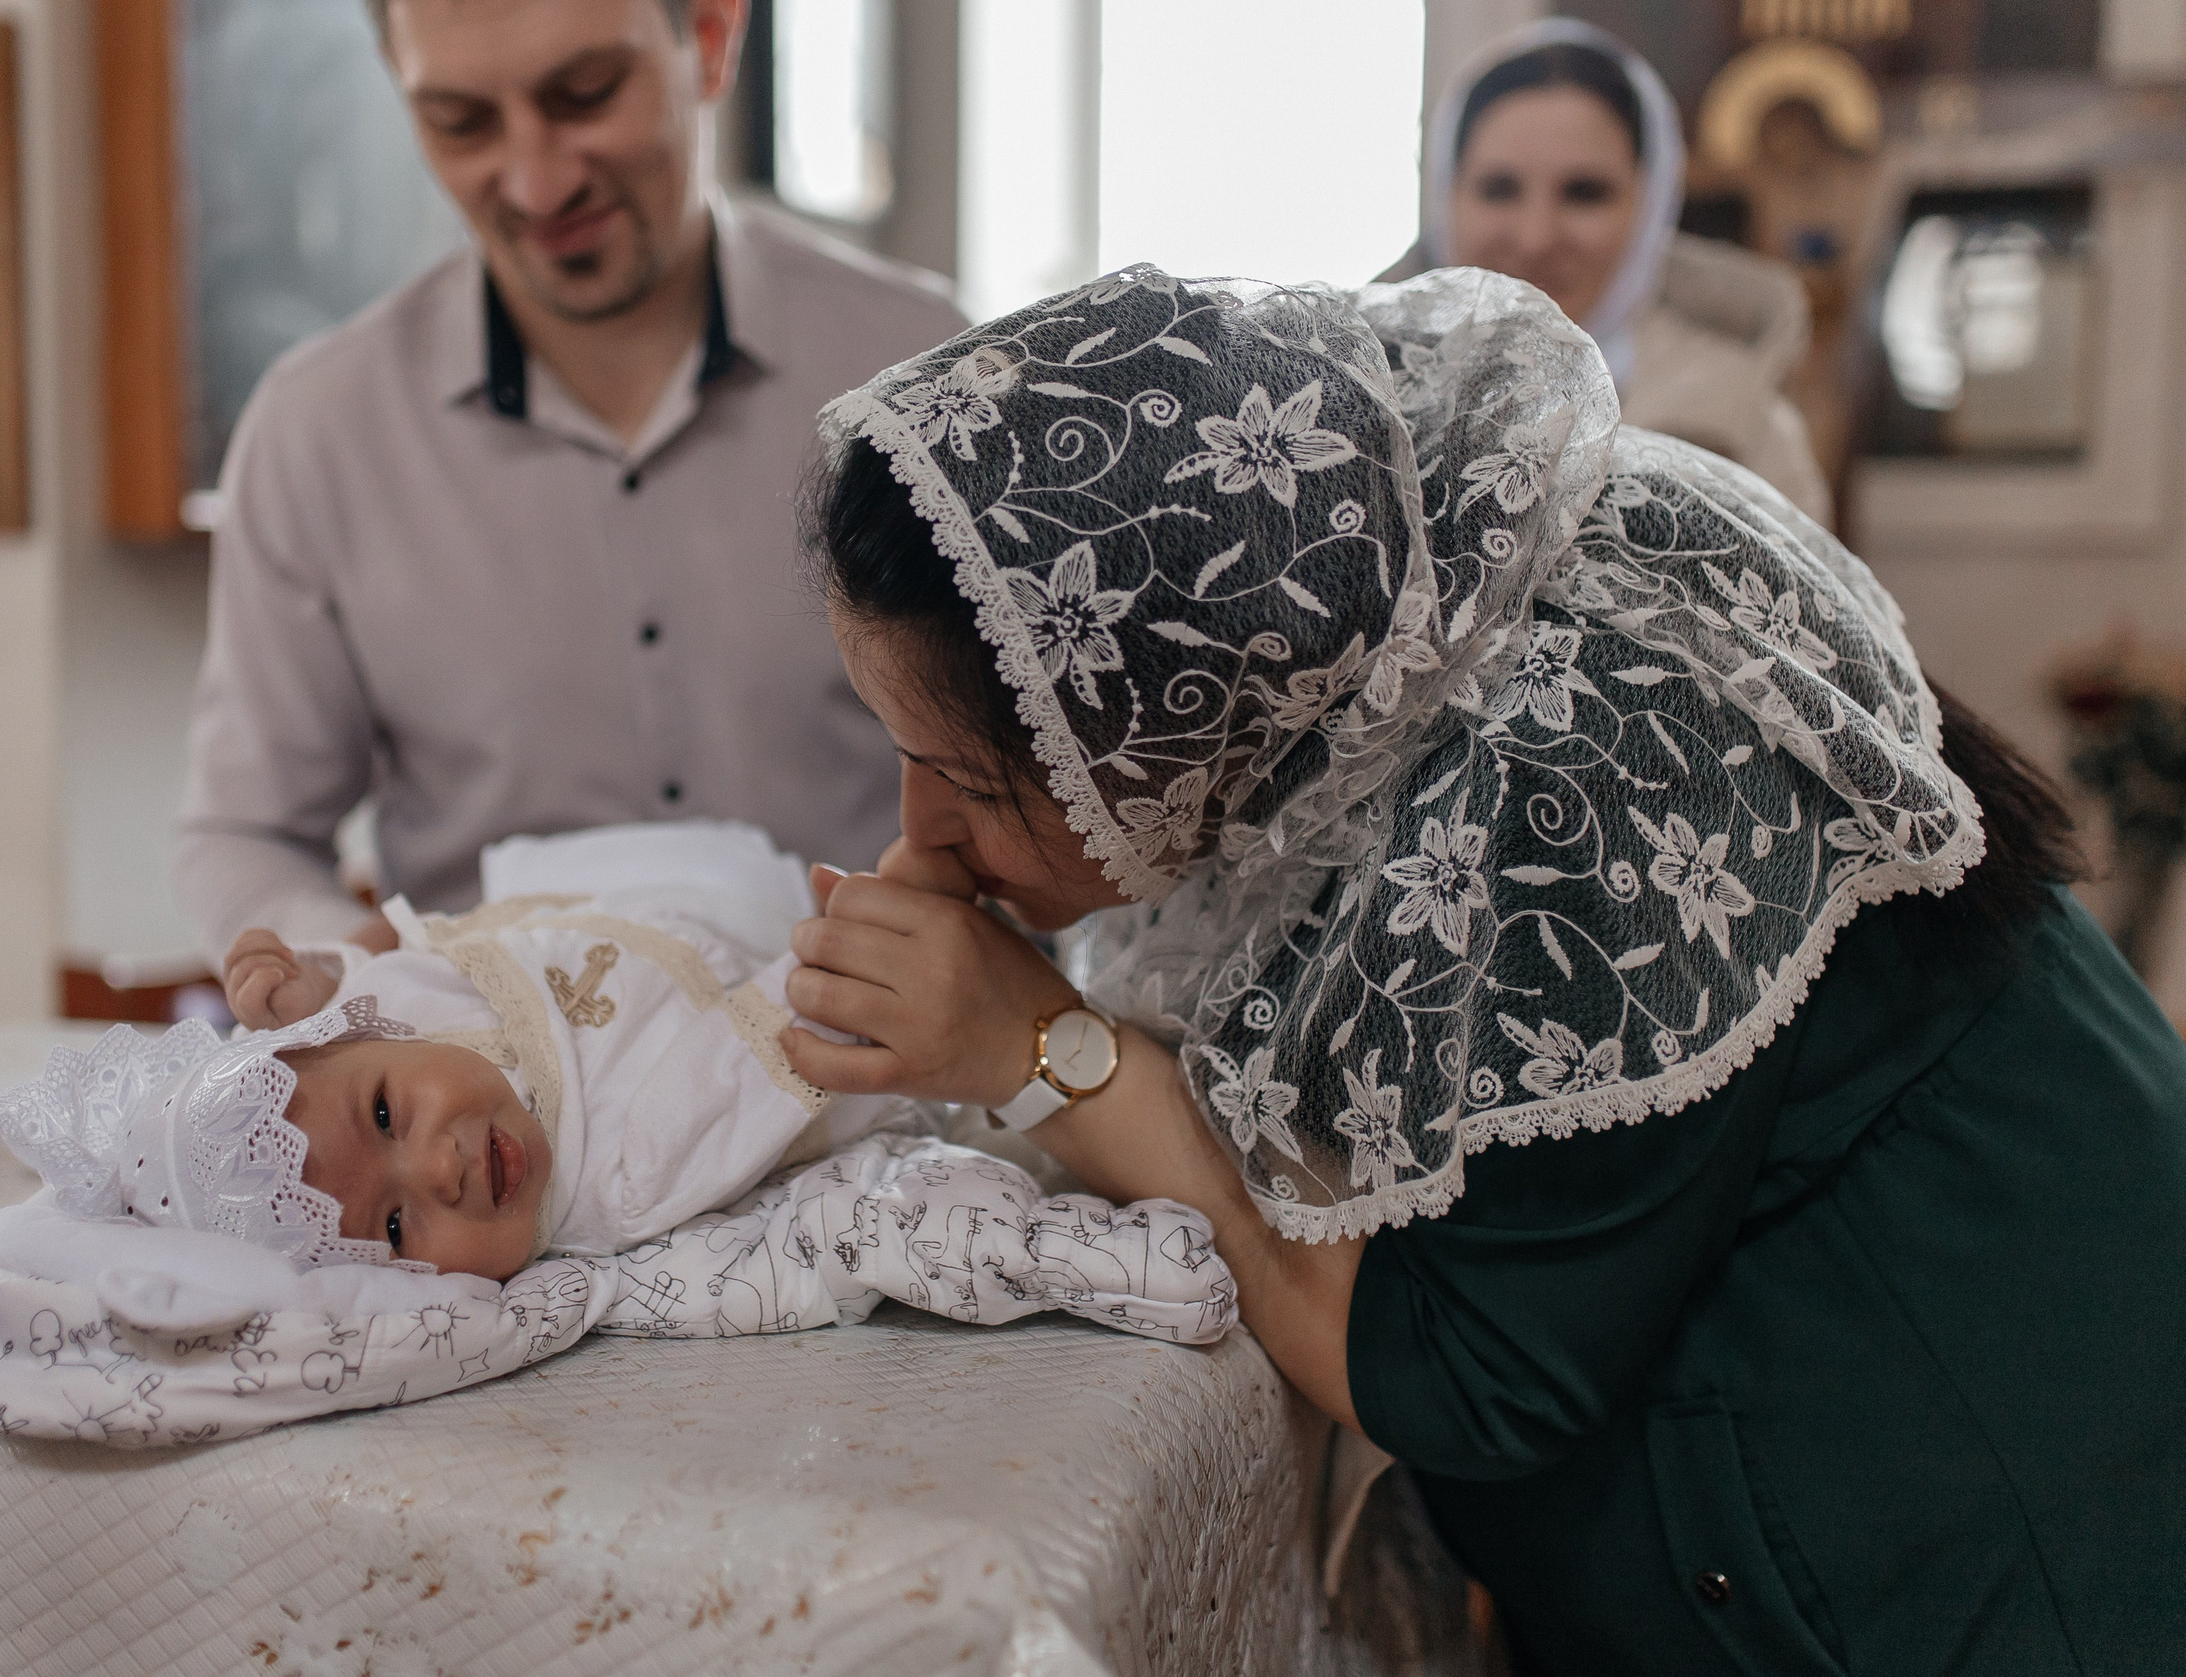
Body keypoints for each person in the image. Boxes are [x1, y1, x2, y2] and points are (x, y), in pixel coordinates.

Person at [779, 266, 2186, 1674]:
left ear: (1169, 700)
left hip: (1991, 1532)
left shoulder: (1581, 756)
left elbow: (1457, 1366)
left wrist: (1048, 1053)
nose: (917, 827)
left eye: (964, 772)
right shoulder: (1378, 640)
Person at [175, 0, 966, 962]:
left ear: (712, 32)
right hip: (498, 1098)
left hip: (885, 1088)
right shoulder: (316, 431)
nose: (537, 183)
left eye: (585, 94)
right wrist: (347, 960)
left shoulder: (927, 372)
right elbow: (245, 835)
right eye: (462, 122)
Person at [3, 824, 922, 1280]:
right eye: (396, 1230)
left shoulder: (381, 1024)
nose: (440, 1169)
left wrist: (311, 979)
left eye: (385, 1116)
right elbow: (773, 1050)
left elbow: (387, 965)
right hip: (763, 939)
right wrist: (862, 947)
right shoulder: (622, 1176)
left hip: (650, 887)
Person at [1400, 19, 1833, 522]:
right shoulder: (1353, 399)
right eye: (1499, 189)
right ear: (1444, 196)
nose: (1537, 238)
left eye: (1585, 193)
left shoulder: (1746, 426)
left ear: (1651, 207)